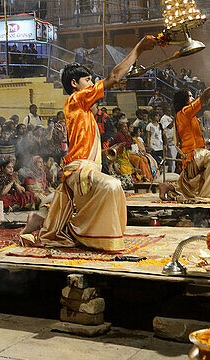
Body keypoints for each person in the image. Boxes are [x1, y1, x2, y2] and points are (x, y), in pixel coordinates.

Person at [25, 36, 157, 251]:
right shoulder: (76, 99)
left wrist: (107, 152)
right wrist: (139, 49)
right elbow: (114, 77)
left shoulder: (84, 111)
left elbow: (84, 149)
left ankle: (72, 229)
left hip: (84, 168)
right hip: (79, 171)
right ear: (75, 84)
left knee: (113, 188)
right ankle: (85, 233)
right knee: (113, 186)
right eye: (88, 80)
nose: (92, 84)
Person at [159, 72, 210, 202]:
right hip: (193, 155)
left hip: (194, 155)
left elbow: (189, 139)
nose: (193, 98)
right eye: (190, 96)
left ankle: (168, 187)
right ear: (184, 101)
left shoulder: (186, 116)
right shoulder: (185, 112)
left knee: (191, 190)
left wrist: (208, 141)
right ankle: (208, 197)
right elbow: (205, 96)